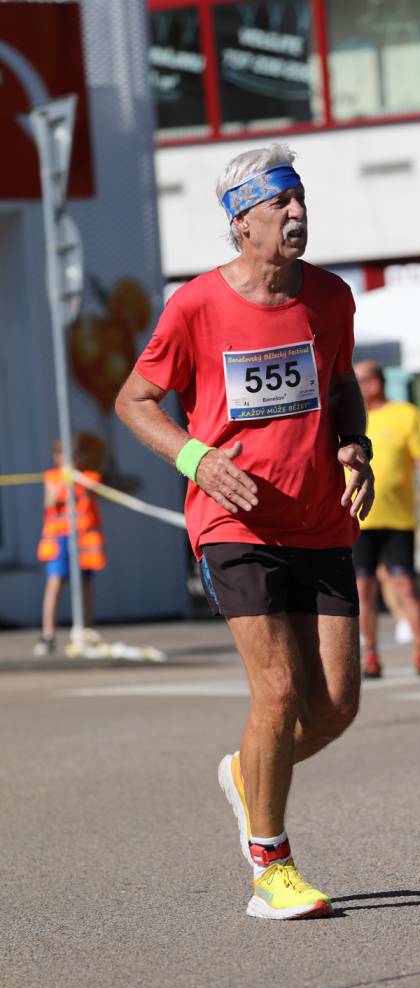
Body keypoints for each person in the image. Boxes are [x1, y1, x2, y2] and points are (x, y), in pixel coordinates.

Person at [115, 144, 374, 921]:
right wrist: (195, 457)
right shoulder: (195, 305)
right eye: (280, 203)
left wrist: (355, 445)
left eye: (300, 198)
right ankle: (271, 866)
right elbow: (135, 400)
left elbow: (340, 384)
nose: (298, 212)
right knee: (279, 691)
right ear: (242, 223)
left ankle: (244, 773)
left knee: (334, 709)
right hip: (234, 521)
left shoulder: (330, 296)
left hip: (320, 520)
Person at [352, 360, 420, 678]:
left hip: (397, 519)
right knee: (363, 589)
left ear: (376, 382)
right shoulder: (351, 419)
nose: (356, 386)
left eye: (361, 380)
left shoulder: (406, 414)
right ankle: (371, 655)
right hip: (358, 520)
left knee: (406, 586)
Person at [33, 436, 106, 656]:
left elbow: (94, 491)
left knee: (85, 586)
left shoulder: (89, 476)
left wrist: (77, 479)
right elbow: (50, 502)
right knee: (54, 585)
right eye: (67, 455)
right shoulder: (52, 477)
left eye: (75, 456)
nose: (72, 460)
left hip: (83, 540)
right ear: (57, 457)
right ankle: (48, 635)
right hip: (59, 539)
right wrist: (65, 480)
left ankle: (86, 633)